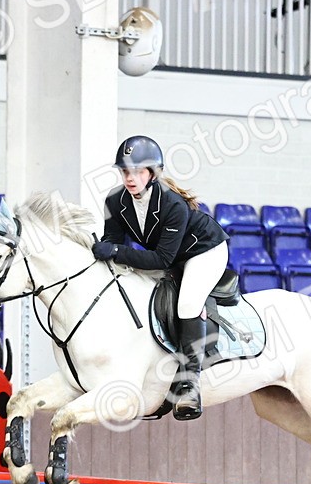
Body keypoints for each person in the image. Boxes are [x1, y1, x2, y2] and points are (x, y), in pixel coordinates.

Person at [91, 135, 229, 421]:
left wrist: (115, 250)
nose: (130, 178)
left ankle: (189, 384)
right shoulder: (115, 201)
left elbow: (160, 260)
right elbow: (113, 242)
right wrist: (107, 249)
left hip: (204, 251)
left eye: (137, 171)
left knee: (188, 303)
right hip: (172, 254)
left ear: (152, 173)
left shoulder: (172, 204)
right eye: (125, 171)